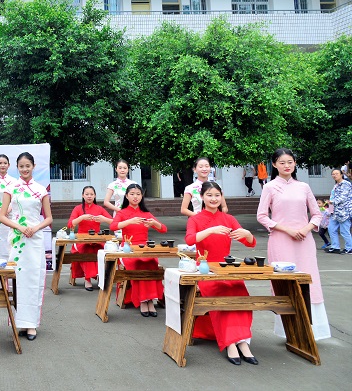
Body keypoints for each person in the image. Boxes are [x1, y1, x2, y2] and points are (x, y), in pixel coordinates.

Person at [256, 148, 331, 339]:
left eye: (290, 162)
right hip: (281, 240)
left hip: (304, 241)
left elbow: (317, 214)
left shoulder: (303, 187)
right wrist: (287, 230)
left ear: (295, 163)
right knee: (286, 281)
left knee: (309, 279)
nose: (286, 166)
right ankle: (289, 330)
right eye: (282, 162)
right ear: (274, 164)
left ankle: (314, 331)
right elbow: (262, 216)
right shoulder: (270, 187)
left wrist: (306, 229)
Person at [185, 182, 258, 365]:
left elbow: (250, 243)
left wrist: (247, 234)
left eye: (217, 195)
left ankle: (242, 342)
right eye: (209, 195)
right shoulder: (195, 219)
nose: (213, 199)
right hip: (206, 269)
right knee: (221, 297)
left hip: (227, 268)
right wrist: (210, 230)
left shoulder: (228, 218)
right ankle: (231, 343)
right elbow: (190, 239)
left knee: (240, 295)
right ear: (202, 197)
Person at [0, 152, 53, 340]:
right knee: (18, 280)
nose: (24, 169)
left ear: (33, 166)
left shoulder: (41, 189)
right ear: (17, 167)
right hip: (17, 239)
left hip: (35, 238)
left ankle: (31, 325)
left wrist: (35, 228)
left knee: (33, 279)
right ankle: (18, 322)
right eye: (21, 166)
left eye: (27, 165)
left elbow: (49, 218)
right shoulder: (11, 188)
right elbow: (2, 216)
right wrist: (21, 227)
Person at [109, 184, 167, 316]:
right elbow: (113, 226)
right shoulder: (122, 212)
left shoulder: (146, 213)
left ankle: (151, 299)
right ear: (127, 196)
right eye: (132, 194)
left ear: (142, 196)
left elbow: (163, 229)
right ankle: (143, 300)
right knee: (138, 263)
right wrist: (129, 221)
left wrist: (154, 223)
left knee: (151, 263)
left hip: (145, 248)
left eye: (138, 194)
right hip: (128, 249)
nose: (135, 197)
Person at [67, 186, 112, 291]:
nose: (89, 196)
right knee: (87, 250)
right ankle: (88, 279)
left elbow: (114, 223)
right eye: (87, 194)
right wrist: (81, 217)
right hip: (81, 240)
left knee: (100, 250)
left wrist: (104, 219)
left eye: (91, 194)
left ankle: (100, 276)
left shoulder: (99, 209)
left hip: (97, 239)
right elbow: (70, 224)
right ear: (83, 195)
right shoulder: (78, 208)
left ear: (95, 195)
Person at [326, 168, 352, 254]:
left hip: (344, 212)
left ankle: (349, 248)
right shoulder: (336, 185)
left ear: (341, 174)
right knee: (331, 229)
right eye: (333, 174)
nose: (334, 175)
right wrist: (330, 209)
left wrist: (331, 202)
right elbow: (333, 197)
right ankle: (335, 247)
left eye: (336, 173)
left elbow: (343, 198)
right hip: (335, 212)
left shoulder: (346, 184)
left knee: (344, 231)